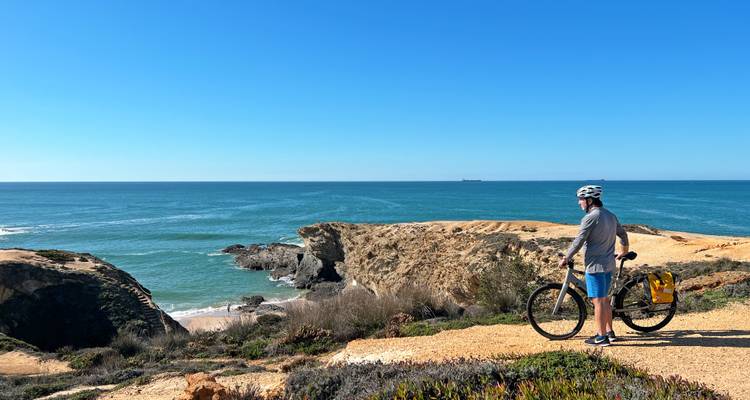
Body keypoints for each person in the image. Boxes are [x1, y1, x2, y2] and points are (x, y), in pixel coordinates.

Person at [559, 185, 629, 347]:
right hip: (608, 265)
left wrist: (566, 258)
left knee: (598, 301)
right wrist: (623, 251)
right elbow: (623, 235)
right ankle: (610, 333)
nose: (579, 203)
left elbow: (579, 240)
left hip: (595, 266)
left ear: (589, 200)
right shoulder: (610, 215)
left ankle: (601, 337)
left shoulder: (591, 217)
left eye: (581, 200)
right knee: (604, 300)